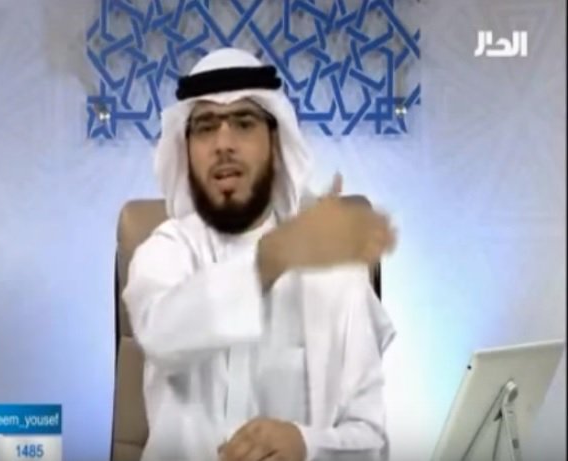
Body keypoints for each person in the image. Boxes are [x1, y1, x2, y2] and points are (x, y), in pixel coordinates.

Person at [123, 47, 397, 461]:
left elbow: (371, 440)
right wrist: (278, 254)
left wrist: (306, 444)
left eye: (244, 123)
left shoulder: (335, 271)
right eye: (205, 127)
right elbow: (162, 333)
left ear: (275, 143)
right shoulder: (167, 251)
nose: (223, 144)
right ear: (186, 151)